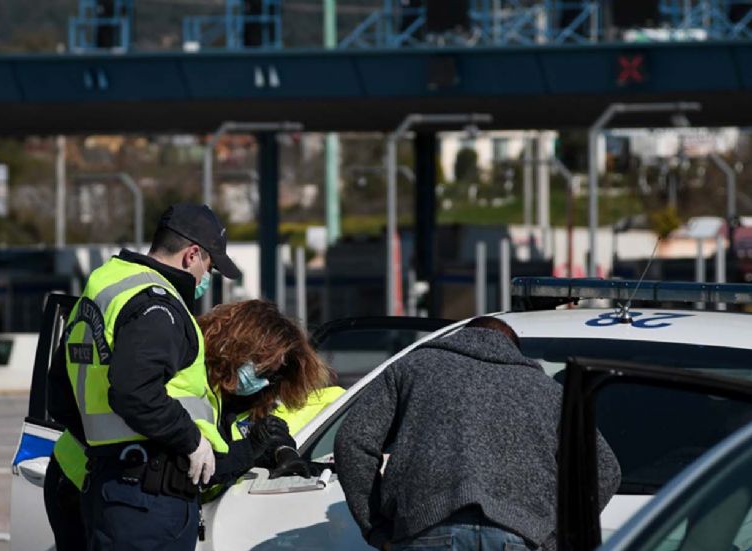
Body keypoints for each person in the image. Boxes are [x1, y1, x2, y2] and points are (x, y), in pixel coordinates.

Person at [46, 203, 283, 551]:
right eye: (209, 268)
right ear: (191, 255)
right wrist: (191, 440)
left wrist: (107, 453)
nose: (205, 280)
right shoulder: (159, 305)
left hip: (109, 485)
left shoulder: (104, 287)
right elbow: (133, 390)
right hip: (148, 499)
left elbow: (61, 395)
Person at [334, 317, 621, 551]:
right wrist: (554, 538)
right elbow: (605, 470)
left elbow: (354, 441)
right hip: (519, 536)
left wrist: (376, 527)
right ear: (513, 351)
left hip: (427, 531)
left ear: (458, 337)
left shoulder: (411, 368)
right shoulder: (548, 391)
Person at [198, 299, 346, 486]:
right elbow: (200, 471)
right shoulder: (191, 390)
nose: (265, 382)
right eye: (263, 371)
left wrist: (281, 450)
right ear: (234, 351)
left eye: (275, 375)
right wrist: (250, 448)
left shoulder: (256, 401)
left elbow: (262, 437)